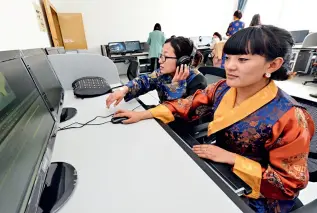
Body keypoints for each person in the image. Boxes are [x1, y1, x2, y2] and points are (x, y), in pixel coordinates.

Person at [113, 25, 315, 212]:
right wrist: (142, 114)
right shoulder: (222, 88)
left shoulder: (292, 117)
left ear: (273, 64)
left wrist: (232, 158)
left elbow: (288, 185)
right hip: (221, 170)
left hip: (259, 194)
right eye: (228, 58)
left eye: (242, 60)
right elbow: (187, 104)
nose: (230, 66)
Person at [106, 36, 207, 107]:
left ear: (182, 61)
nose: (160, 61)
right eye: (160, 55)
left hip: (180, 132)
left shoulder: (197, 82)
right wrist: (124, 90)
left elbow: (183, 115)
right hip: (162, 119)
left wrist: (176, 86)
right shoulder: (163, 74)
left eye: (165, 57)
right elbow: (145, 81)